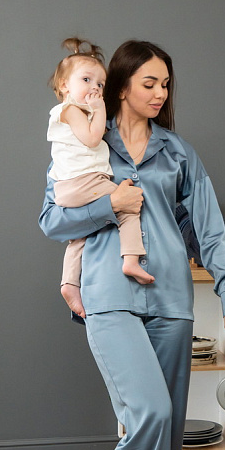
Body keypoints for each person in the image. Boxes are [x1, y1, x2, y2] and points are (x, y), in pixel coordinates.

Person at [39, 39, 225, 450]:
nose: (160, 93)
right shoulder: (85, 140)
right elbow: (52, 220)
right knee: (149, 414)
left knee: (166, 430)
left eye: (166, 85)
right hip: (108, 297)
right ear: (121, 85)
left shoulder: (178, 152)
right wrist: (109, 206)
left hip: (172, 303)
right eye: (149, 83)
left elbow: (208, 230)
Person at [48, 38, 154, 319]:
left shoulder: (75, 113)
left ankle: (69, 284)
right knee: (128, 206)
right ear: (64, 86)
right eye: (86, 80)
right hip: (84, 182)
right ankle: (131, 259)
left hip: (70, 187)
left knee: (80, 237)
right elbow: (93, 138)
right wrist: (100, 108)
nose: (94, 88)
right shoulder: (72, 110)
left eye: (100, 84)